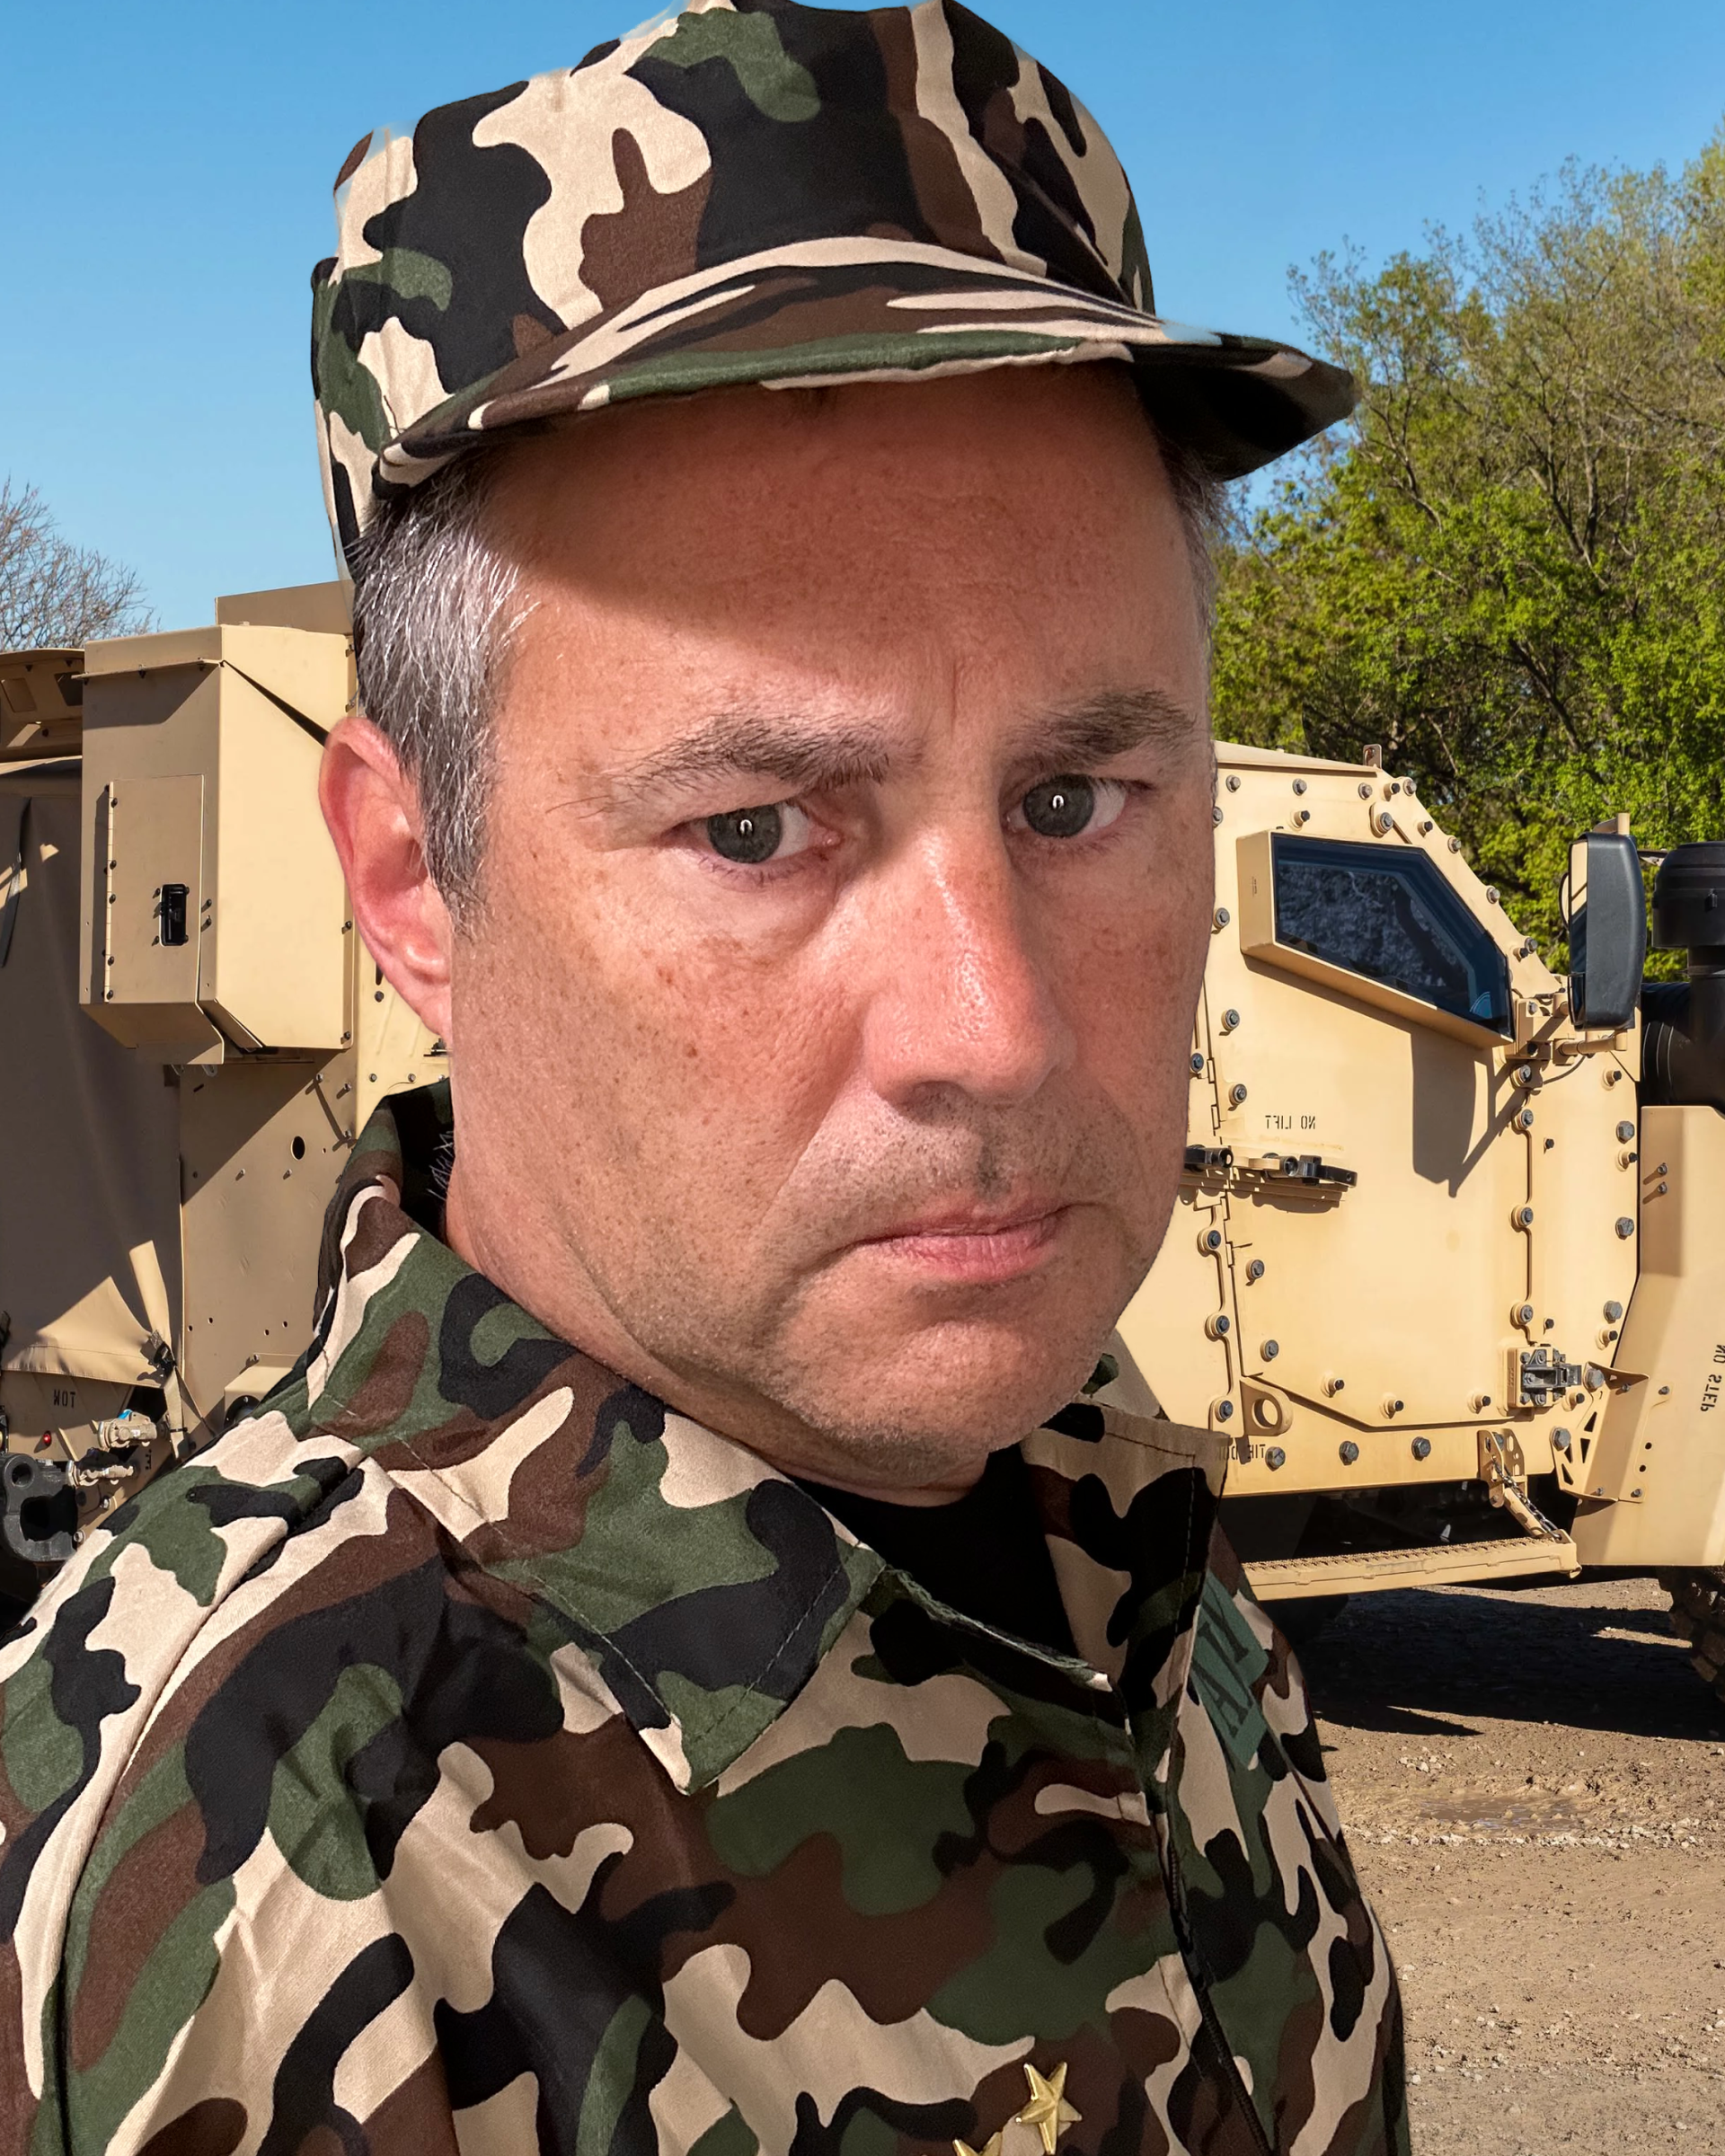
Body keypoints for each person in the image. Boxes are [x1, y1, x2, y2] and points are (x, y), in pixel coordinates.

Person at [0, 4, 1405, 2152]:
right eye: (756, 830)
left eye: (1075, 800)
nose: (993, 1030)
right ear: (413, 881)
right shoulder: (263, 1871)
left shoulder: (1127, 1557)